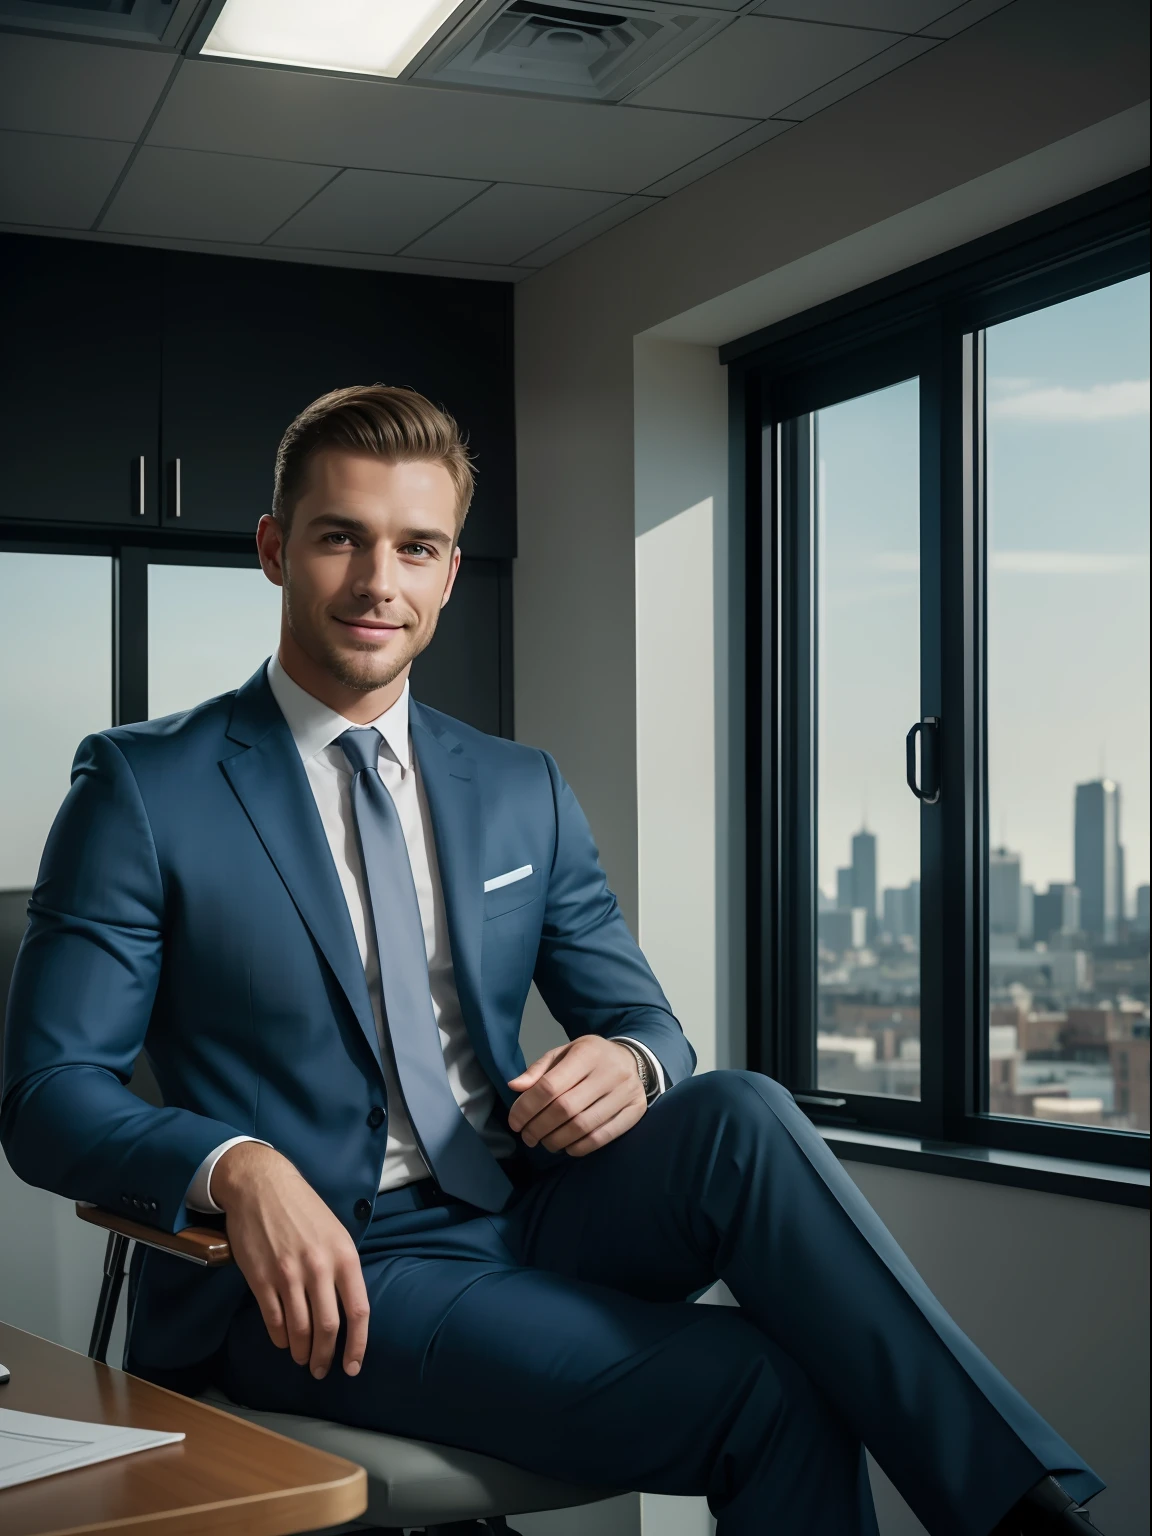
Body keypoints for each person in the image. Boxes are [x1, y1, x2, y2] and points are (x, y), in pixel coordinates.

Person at [1, 385, 1104, 1535]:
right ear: (276, 550)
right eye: (343, 538)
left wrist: (632, 1063)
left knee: (742, 1113)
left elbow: (649, 1021)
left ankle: (1022, 1514)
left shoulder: (518, 787)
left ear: (449, 571)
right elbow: (46, 1099)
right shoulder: (144, 787)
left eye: (415, 548)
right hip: (328, 1272)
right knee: (769, 1388)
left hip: (526, 1209)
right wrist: (234, 1166)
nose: (381, 582)